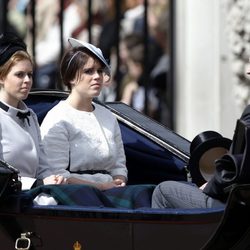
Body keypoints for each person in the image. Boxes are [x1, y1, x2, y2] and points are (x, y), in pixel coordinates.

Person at [40, 37, 128, 191]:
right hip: (76, 196)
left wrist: (119, 180)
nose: (97, 77)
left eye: (100, 71)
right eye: (89, 71)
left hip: (112, 192)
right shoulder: (58, 117)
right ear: (72, 77)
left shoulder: (108, 116)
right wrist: (100, 187)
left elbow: (118, 164)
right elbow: (56, 174)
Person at [151, 103, 250, 209]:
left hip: (234, 204)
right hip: (237, 199)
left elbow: (238, 167)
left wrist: (211, 185)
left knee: (162, 191)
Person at [0, 32, 65, 188]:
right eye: (19, 75)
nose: (27, 80)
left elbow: (42, 166)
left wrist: (52, 180)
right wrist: (37, 183)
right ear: (1, 78)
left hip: (34, 200)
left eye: (30, 74)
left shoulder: (31, 116)